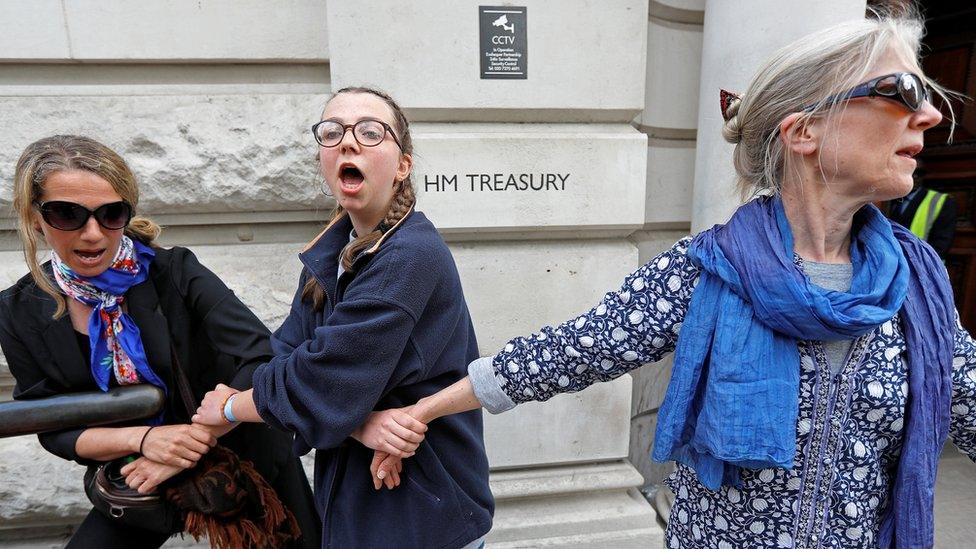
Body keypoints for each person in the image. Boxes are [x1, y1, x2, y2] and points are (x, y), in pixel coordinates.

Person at [363, 12, 976, 549]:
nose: (929, 113)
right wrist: (424, 410)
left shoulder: (917, 289)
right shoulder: (711, 269)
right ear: (804, 131)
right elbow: (570, 352)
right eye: (901, 90)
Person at [192, 87, 494, 549]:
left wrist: (230, 408)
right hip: (357, 510)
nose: (348, 142)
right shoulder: (332, 253)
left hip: (418, 513)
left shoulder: (410, 255)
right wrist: (359, 422)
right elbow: (281, 359)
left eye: (371, 132)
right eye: (332, 132)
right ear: (322, 161)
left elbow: (316, 383)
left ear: (403, 165)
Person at [0, 135, 319, 548]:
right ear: (35, 217)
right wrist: (146, 441)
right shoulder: (18, 310)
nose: (93, 233)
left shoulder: (176, 272)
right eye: (67, 214)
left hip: (242, 457)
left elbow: (261, 358)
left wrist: (188, 441)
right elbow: (51, 424)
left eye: (111, 214)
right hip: (138, 472)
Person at [885, 164, 958, 258]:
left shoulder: (941, 201)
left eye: (919, 173)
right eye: (910, 171)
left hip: (919, 263)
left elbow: (942, 244)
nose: (914, 176)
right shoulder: (887, 199)